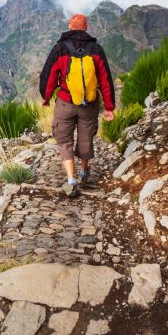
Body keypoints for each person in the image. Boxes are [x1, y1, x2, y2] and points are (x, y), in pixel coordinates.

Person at [39, 13, 115, 197]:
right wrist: (109, 107)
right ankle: (83, 171)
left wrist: (46, 97)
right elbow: (105, 80)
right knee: (86, 137)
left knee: (64, 139)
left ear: (69, 26)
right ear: (86, 27)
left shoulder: (60, 48)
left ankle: (71, 180)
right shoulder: (96, 49)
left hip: (65, 103)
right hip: (89, 104)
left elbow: (49, 75)